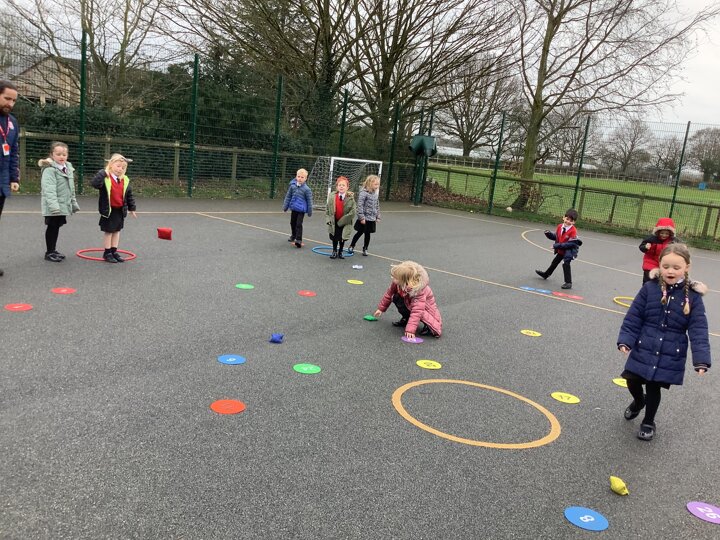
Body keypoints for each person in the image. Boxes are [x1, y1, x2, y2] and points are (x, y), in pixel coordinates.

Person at [617, 243, 710, 441]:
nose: (670, 271)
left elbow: (699, 329)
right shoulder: (649, 288)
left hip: (670, 350)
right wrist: (626, 340)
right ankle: (638, 401)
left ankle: (648, 421)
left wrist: (701, 359)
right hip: (645, 345)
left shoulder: (693, 297)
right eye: (666, 266)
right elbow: (634, 317)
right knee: (631, 379)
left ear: (686, 267)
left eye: (676, 267)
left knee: (654, 387)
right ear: (659, 265)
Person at [373, 260, 442, 339]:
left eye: (395, 277)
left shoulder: (418, 290)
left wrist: (410, 330)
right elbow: (389, 294)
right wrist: (381, 309)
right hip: (409, 303)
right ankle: (406, 318)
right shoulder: (397, 284)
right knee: (396, 297)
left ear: (404, 280)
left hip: (425, 308)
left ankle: (428, 327)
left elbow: (417, 311)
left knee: (423, 315)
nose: (392, 278)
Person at [90, 153, 137, 263]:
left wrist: (132, 208)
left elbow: (129, 195)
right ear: (111, 165)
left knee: (117, 231)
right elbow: (94, 184)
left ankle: (114, 251)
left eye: (123, 167)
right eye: (118, 166)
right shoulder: (105, 178)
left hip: (119, 210)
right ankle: (107, 252)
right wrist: (103, 173)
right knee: (109, 231)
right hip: (109, 210)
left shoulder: (125, 180)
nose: (120, 169)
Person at [39, 142, 80, 262]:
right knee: (52, 227)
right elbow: (49, 190)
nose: (61, 157)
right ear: (52, 155)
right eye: (58, 154)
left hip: (62, 204)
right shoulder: (49, 170)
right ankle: (49, 252)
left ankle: (53, 250)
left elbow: (71, 189)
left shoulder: (68, 168)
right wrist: (54, 206)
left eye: (64, 154)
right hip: (54, 206)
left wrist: (73, 203)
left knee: (56, 227)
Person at [0, 81, 20, 277]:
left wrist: (14, 177)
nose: (10, 104)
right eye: (7, 98)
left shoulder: (12, 122)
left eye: (13, 101)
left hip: (2, 182)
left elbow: (13, 152)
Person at [535, 208, 582, 289]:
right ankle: (546, 274)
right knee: (555, 262)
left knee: (565, 263)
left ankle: (568, 282)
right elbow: (557, 237)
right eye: (567, 219)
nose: (568, 221)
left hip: (569, 250)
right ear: (563, 217)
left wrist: (556, 246)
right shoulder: (560, 226)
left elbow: (570, 244)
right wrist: (549, 234)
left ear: (574, 222)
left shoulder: (573, 231)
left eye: (571, 221)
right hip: (561, 248)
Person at [348, 174, 381, 256]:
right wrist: (362, 217)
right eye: (375, 184)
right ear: (370, 184)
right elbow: (360, 206)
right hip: (364, 218)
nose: (377, 186)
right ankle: (352, 246)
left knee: (368, 234)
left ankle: (365, 248)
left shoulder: (375, 194)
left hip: (371, 218)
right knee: (359, 232)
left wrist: (378, 216)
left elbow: (377, 205)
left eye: (378, 184)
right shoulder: (363, 193)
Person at [325, 176, 356, 259]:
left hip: (344, 221)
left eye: (343, 185)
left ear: (347, 187)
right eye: (339, 185)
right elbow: (327, 209)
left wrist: (343, 221)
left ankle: (341, 251)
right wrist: (328, 219)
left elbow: (353, 212)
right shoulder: (332, 196)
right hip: (334, 220)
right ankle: (334, 251)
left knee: (342, 237)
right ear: (337, 187)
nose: (341, 187)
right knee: (334, 236)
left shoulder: (350, 199)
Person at [639, 217, 678, 283]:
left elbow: (680, 248)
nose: (664, 235)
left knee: (664, 281)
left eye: (666, 234)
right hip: (650, 262)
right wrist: (645, 247)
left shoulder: (673, 241)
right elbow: (641, 247)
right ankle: (646, 288)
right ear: (658, 232)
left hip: (665, 263)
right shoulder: (651, 239)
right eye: (662, 233)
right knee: (648, 279)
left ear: (670, 234)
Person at [282, 168, 313, 248]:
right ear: (296, 177)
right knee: (292, 223)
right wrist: (285, 206)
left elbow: (309, 201)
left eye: (302, 177)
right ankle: (293, 235)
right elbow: (288, 196)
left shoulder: (307, 189)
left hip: (301, 210)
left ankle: (299, 240)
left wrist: (310, 211)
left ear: (305, 178)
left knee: (298, 224)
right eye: (298, 176)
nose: (300, 178)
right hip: (294, 208)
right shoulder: (292, 186)